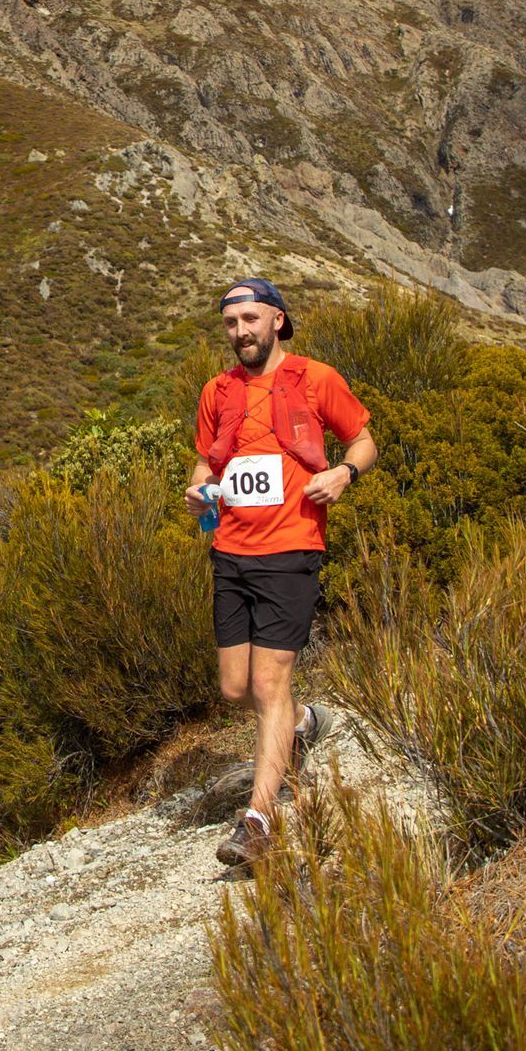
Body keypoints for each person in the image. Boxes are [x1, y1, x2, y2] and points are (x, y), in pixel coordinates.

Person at [184, 277, 377, 867]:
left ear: (277, 320)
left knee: (269, 685)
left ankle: (260, 818)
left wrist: (344, 474)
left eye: (250, 319)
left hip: (292, 548)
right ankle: (302, 724)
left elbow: (363, 440)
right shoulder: (218, 390)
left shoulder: (316, 379)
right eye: (231, 323)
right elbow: (206, 459)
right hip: (231, 551)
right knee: (235, 687)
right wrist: (199, 490)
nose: (240, 332)